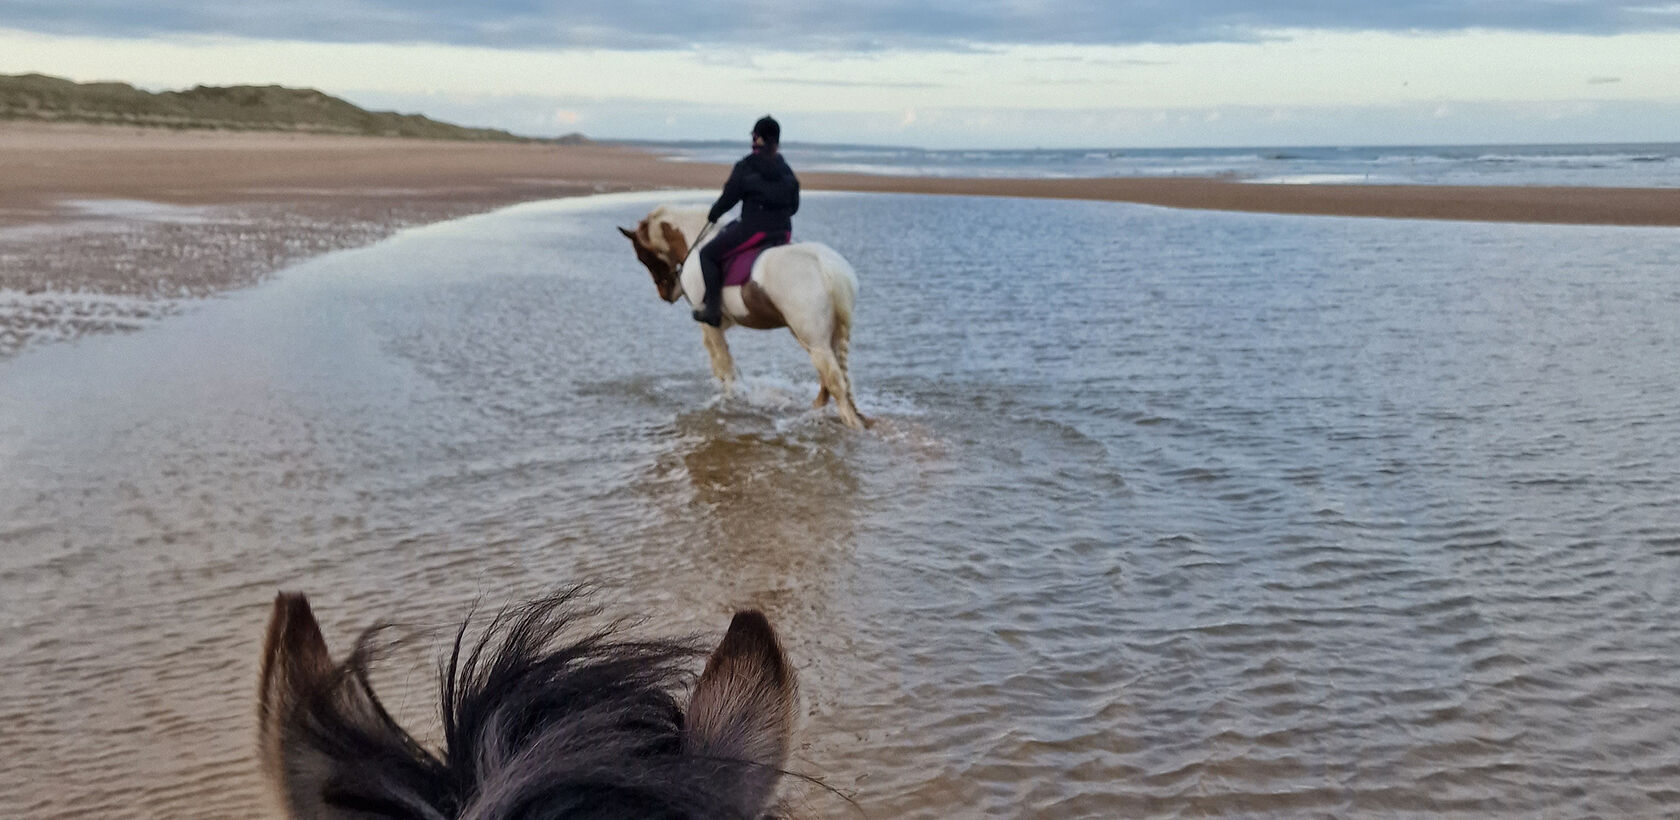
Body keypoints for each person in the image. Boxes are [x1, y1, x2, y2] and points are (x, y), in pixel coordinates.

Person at [693, 115, 799, 326]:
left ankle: (712, 310)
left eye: (754, 136)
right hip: (784, 231)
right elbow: (794, 206)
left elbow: (729, 197)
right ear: (776, 140)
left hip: (756, 230)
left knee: (707, 254)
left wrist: (714, 213)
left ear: (758, 139)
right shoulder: (785, 168)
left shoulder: (746, 166)